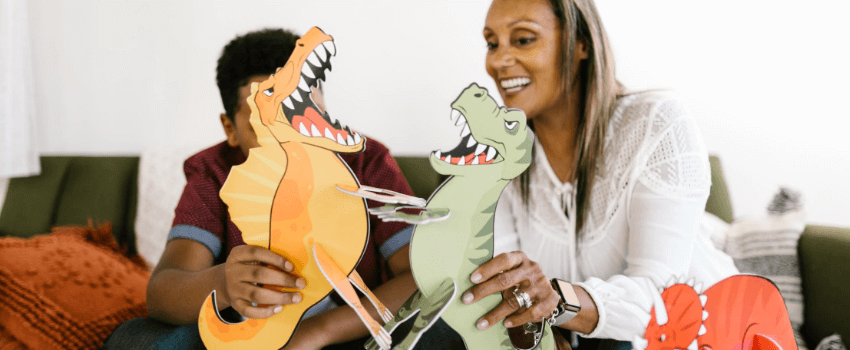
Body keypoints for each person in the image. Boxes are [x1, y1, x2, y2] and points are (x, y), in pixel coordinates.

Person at [105, 28, 420, 350]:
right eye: (266, 125)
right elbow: (162, 293)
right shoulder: (215, 173)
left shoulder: (367, 163)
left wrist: (317, 332)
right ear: (231, 129)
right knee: (135, 338)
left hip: (355, 329)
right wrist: (223, 284)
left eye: (306, 117)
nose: (293, 140)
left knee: (431, 331)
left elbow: (420, 277)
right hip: (249, 333)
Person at [461, 0, 739, 348]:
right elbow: (509, 299)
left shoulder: (656, 123)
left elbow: (664, 299)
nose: (498, 61)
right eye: (492, 44)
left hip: (717, 334)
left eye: (523, 39)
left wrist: (557, 301)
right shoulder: (499, 160)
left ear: (581, 43)